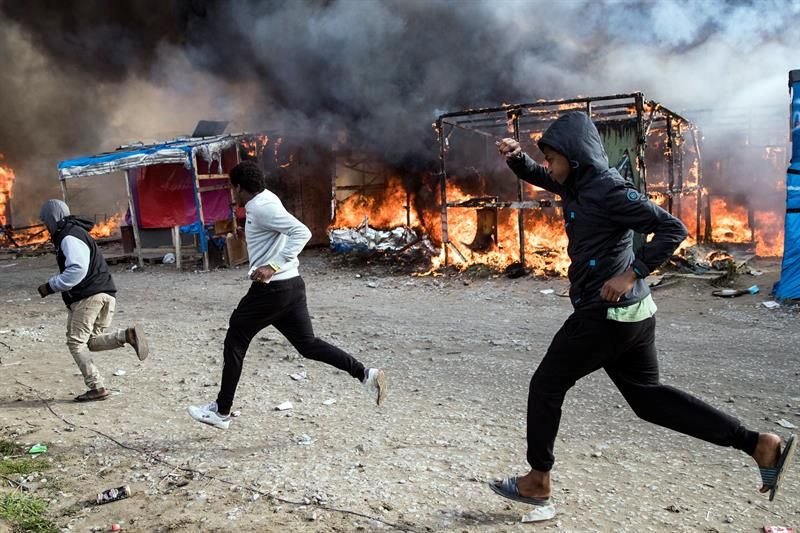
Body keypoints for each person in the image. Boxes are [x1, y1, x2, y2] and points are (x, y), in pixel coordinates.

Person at [490, 111, 795, 507]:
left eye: (552, 157)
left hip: (606, 314)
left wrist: (631, 273)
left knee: (547, 384)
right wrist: (517, 159)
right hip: (631, 316)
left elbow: (672, 228)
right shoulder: (578, 183)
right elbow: (544, 177)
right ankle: (757, 444)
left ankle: (537, 480)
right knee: (648, 399)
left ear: (573, 154)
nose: (548, 165)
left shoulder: (608, 189)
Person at [187, 161, 388, 430]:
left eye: (232, 188)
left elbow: (301, 232)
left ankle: (221, 411)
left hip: (272, 289)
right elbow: (276, 234)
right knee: (308, 345)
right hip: (292, 287)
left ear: (238, 186)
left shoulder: (261, 206)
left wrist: (272, 265)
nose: (232, 194)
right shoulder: (265, 200)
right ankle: (365, 374)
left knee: (235, 337)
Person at [38, 199, 149, 402]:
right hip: (105, 294)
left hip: (89, 297)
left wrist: (51, 286)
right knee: (91, 342)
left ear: (52, 218)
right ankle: (128, 335)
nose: (46, 227)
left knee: (75, 342)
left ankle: (97, 387)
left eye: (46, 221)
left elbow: (77, 269)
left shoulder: (68, 236)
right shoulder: (76, 232)